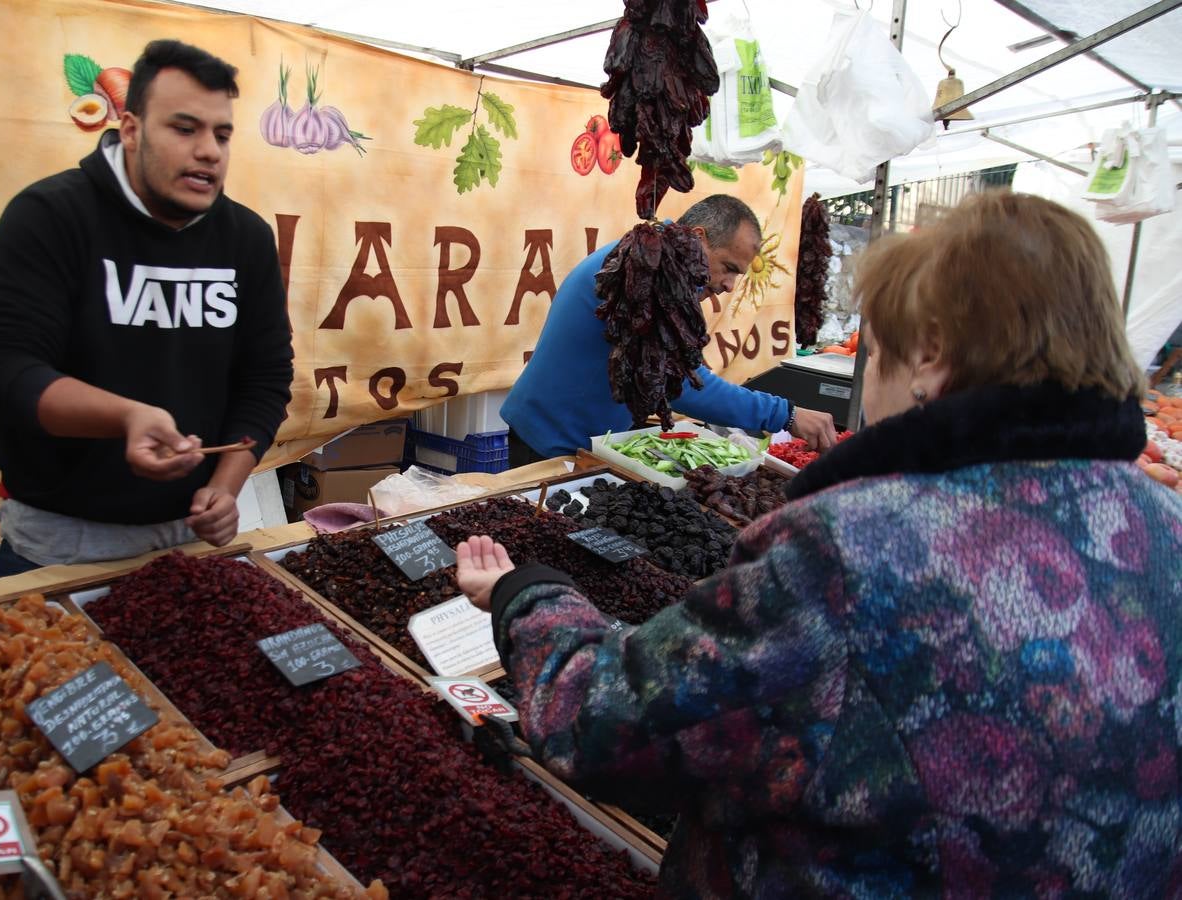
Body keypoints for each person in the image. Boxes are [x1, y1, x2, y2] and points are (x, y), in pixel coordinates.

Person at [459, 191, 1182, 896]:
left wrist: (529, 596)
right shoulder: (1167, 530)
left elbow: (604, 723)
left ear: (929, 355)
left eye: (882, 348)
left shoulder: (848, 547)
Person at [0, 40, 293, 577]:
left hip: (191, 541)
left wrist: (224, 487)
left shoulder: (246, 238)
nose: (210, 150)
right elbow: (4, 371)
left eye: (222, 134)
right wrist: (126, 417)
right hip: (57, 547)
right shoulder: (49, 216)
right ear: (132, 129)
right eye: (185, 129)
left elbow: (266, 378)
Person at [500, 194, 837, 465]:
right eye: (728, 268)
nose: (730, 286)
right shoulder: (646, 272)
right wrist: (785, 414)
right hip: (549, 443)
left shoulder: (658, 264)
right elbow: (682, 385)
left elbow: (678, 371)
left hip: (581, 438)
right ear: (699, 239)